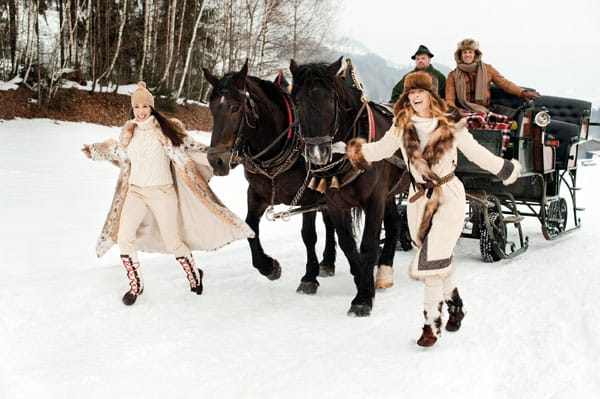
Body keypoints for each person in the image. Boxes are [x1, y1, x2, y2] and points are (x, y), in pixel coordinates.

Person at [345, 72, 521, 347]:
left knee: (431, 261)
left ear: (430, 95)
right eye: (411, 93)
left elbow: (475, 153)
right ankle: (456, 304)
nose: (415, 97)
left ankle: (431, 325)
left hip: (448, 195)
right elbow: (380, 149)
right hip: (418, 199)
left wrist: (504, 168)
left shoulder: (451, 123)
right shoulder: (401, 125)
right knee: (437, 259)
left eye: (420, 92)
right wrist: (354, 151)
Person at [82, 82, 254, 305]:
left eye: (145, 106)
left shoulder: (167, 130)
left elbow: (193, 148)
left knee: (173, 241)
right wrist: (98, 150)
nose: (141, 111)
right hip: (135, 192)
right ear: (132, 109)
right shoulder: (129, 131)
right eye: (137, 107)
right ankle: (136, 286)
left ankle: (194, 274)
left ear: (151, 108)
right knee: (125, 238)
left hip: (162, 193)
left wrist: (225, 156)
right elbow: (121, 153)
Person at [446, 38, 540, 113]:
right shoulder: (453, 75)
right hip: (462, 111)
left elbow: (505, 84)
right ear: (460, 55)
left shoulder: (488, 69)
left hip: (483, 109)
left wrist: (522, 92)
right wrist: (456, 112)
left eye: (470, 52)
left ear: (475, 54)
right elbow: (450, 99)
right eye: (465, 52)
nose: (467, 55)